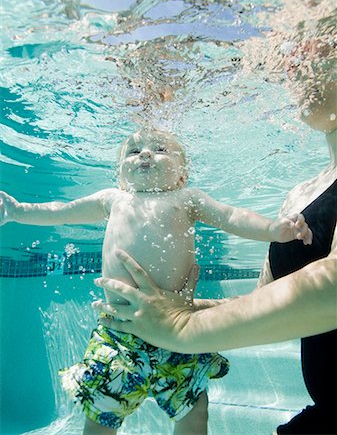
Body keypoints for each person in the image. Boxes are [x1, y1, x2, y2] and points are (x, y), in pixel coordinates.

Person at [92, 22, 337, 435]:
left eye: (321, 37)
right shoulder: (301, 194)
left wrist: (181, 327)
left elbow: (332, 288)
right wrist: (176, 309)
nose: (294, 58)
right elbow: (266, 303)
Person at [0, 130, 312, 435]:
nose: (146, 153)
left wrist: (272, 229)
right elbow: (64, 213)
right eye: (134, 152)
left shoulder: (188, 198)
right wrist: (18, 211)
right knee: (101, 413)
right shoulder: (113, 199)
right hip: (119, 334)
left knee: (194, 409)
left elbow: (231, 216)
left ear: (181, 175)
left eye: (160, 149)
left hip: (178, 330)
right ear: (121, 175)